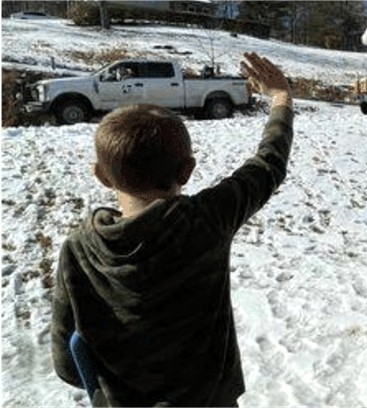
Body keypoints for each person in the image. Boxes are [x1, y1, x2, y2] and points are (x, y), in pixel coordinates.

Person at [50, 52, 294, 407]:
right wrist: (281, 98)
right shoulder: (205, 220)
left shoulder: (78, 249)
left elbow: (68, 365)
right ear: (187, 171)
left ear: (101, 176)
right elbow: (268, 164)